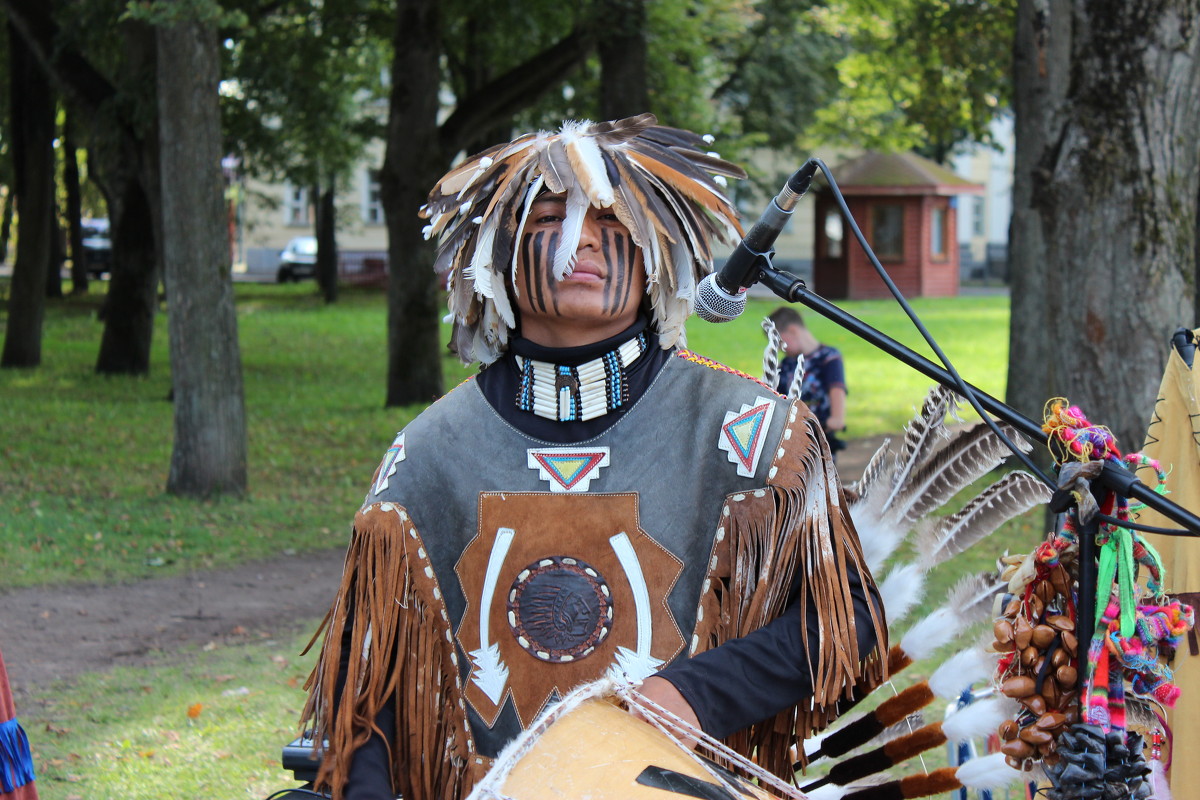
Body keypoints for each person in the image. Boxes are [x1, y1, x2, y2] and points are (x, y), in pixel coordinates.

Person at [300, 114, 886, 800]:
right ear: (501, 250)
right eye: (550, 216)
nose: (581, 241)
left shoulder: (752, 433)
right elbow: (367, 692)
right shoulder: (428, 454)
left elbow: (848, 619)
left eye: (611, 221)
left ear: (655, 251)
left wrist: (695, 693)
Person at [768, 306, 848, 457]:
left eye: (779, 342)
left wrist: (837, 418)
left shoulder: (829, 357)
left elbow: (836, 388)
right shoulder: (785, 366)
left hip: (821, 438)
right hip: (792, 440)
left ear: (792, 330)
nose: (779, 349)